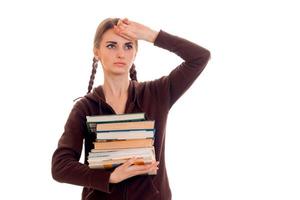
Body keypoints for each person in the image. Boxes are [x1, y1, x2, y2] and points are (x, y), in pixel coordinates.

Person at [52, 17, 210, 200]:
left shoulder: (157, 93)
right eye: (111, 46)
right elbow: (60, 166)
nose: (121, 53)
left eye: (128, 46)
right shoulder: (84, 107)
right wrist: (111, 176)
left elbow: (199, 57)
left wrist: (150, 35)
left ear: (135, 53)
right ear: (97, 52)